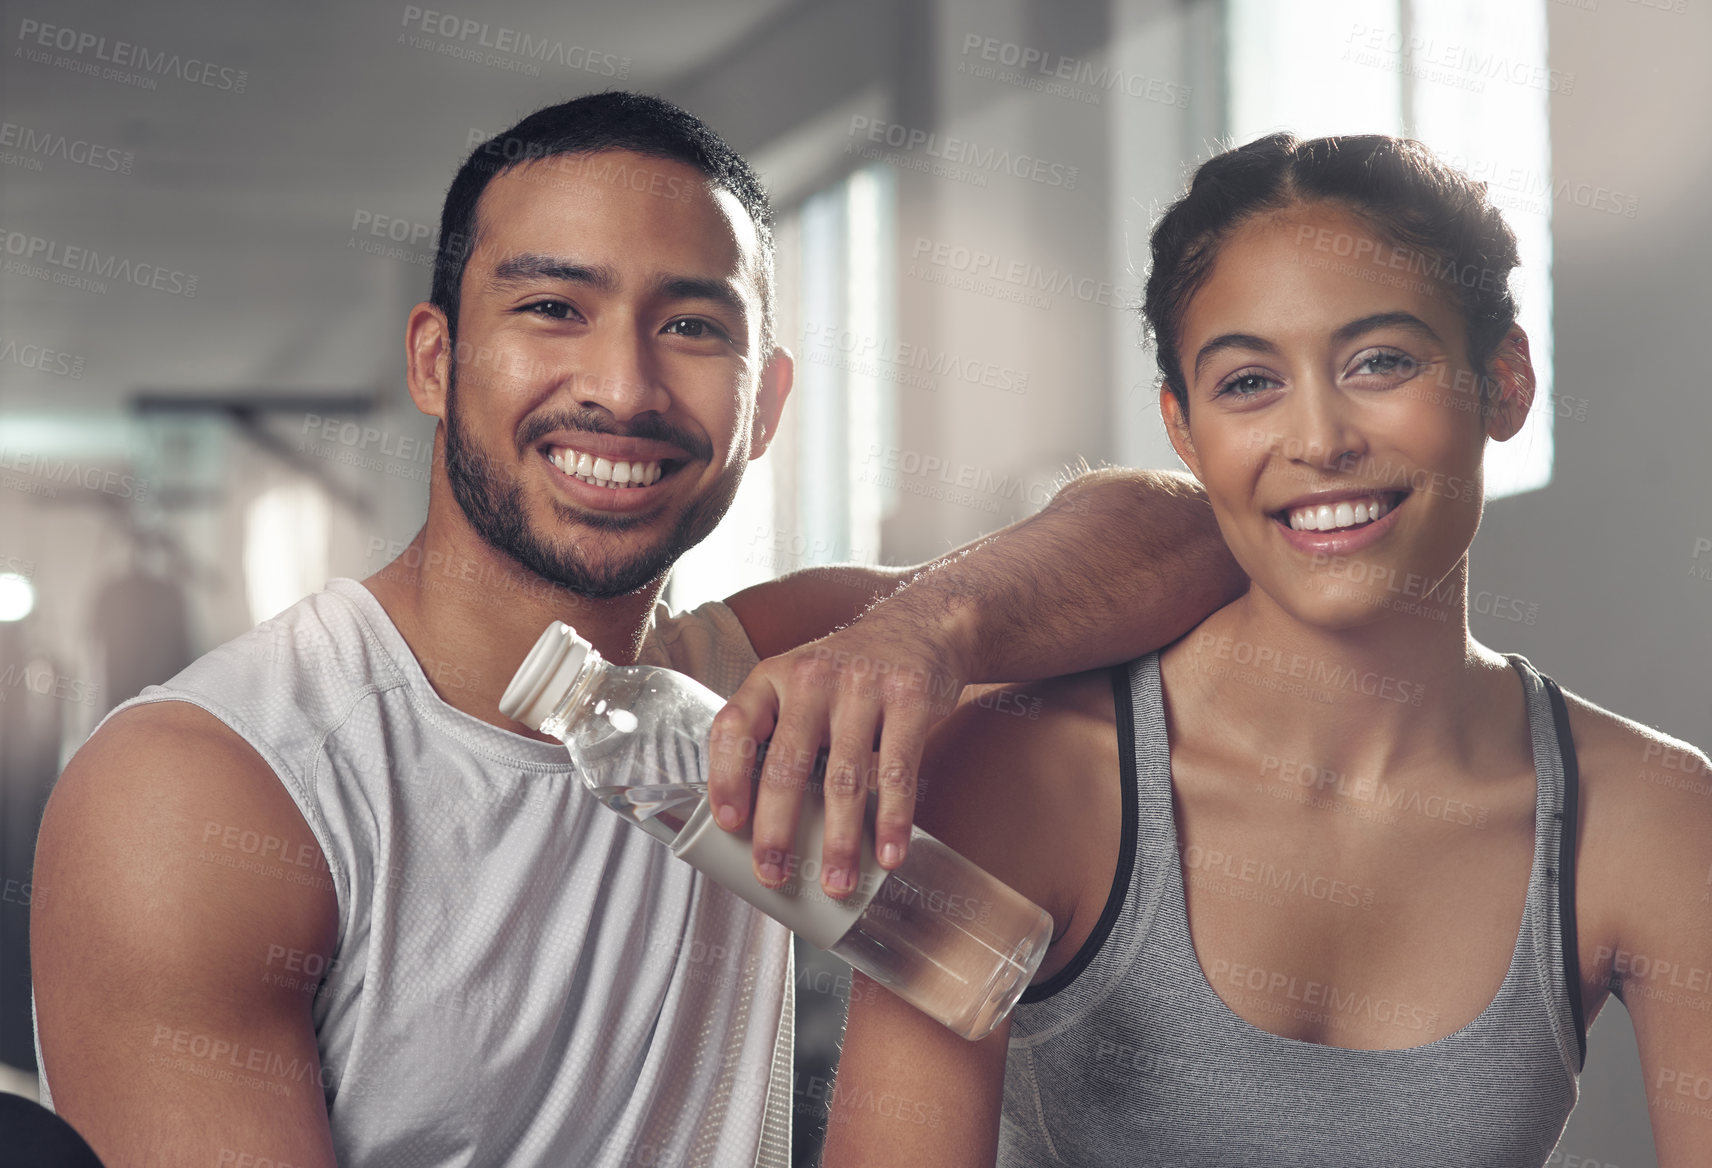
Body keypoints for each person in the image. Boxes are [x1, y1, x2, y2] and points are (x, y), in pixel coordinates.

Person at [28, 92, 1243, 1168]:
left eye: (693, 326)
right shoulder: (207, 792)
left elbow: (1187, 531)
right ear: (437, 361)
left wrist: (926, 634)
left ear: (763, 405)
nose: (622, 387)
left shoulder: (758, 674)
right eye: (554, 307)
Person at [824, 133, 1712, 1167]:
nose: (1319, 438)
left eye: (1379, 361)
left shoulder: (1650, 814)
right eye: (1248, 382)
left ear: (1504, 380)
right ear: (1185, 433)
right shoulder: (1016, 780)